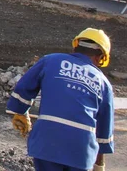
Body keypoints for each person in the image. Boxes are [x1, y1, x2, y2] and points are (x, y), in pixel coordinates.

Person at [7, 28, 114, 171]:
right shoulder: (103, 83)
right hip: (81, 152)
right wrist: (99, 164)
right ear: (100, 57)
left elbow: (24, 89)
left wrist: (20, 111)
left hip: (47, 143)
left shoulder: (50, 60)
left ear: (75, 46)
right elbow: (104, 133)